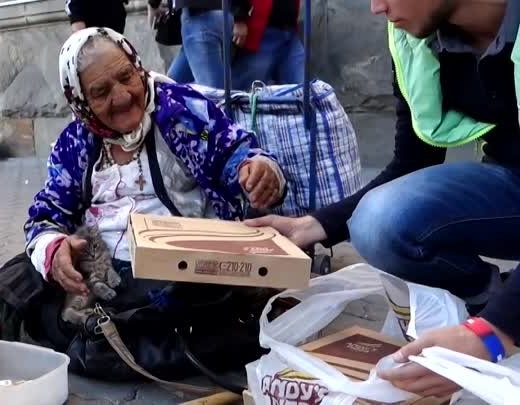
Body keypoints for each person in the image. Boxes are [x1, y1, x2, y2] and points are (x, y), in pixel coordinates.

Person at [0, 27, 286, 405]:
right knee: (20, 277)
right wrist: (55, 249)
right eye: (101, 91)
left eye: (126, 77)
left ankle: (51, 338)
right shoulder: (75, 144)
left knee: (143, 318)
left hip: (182, 267)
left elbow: (238, 156)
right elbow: (44, 215)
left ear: (139, 66)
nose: (122, 96)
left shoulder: (183, 110)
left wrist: (258, 171)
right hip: (102, 269)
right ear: (80, 102)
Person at [247, 0, 520, 398]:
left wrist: (494, 335)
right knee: (379, 221)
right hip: (511, 183)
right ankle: (493, 299)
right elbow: (412, 161)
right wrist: (315, 225)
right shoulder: (416, 39)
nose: (376, 7)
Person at [166, 0, 251, 87]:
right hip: (224, 14)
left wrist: (154, 4)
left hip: (198, 15)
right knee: (172, 84)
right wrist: (240, 14)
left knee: (213, 94)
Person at [231, 0, 306, 90]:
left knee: (301, 90)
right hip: (263, 32)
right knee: (247, 91)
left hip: (289, 32)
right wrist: (239, 19)